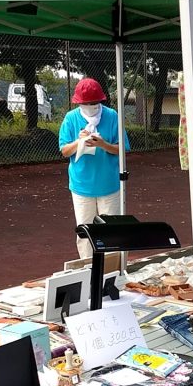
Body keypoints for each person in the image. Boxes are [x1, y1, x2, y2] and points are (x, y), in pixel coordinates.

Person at [58, 78, 130, 259]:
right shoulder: (71, 118)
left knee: (111, 231)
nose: (90, 106)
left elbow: (123, 149)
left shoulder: (112, 116)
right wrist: (79, 141)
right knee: (85, 233)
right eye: (86, 103)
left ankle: (111, 269)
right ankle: (88, 268)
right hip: (82, 185)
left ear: (100, 100)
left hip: (109, 184)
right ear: (79, 103)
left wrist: (103, 144)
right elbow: (65, 151)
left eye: (94, 103)